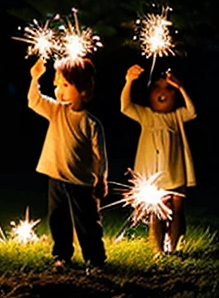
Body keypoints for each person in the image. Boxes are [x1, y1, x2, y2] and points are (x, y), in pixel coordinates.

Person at [28, 58, 108, 273]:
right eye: (56, 85)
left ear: (84, 90)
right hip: (56, 178)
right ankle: (61, 256)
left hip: (81, 182)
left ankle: (95, 259)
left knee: (87, 222)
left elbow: (99, 156)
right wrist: (35, 77)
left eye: (65, 85)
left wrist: (101, 179)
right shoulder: (56, 111)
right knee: (58, 220)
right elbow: (34, 101)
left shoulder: (91, 123)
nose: (58, 91)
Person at [121, 64, 196, 254]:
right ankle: (158, 250)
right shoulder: (146, 115)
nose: (163, 92)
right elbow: (125, 106)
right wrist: (129, 81)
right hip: (153, 174)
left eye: (169, 88)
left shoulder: (177, 116)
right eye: (157, 87)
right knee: (157, 211)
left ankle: (175, 246)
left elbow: (192, 112)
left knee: (177, 209)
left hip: (175, 171)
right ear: (149, 94)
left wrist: (181, 87)